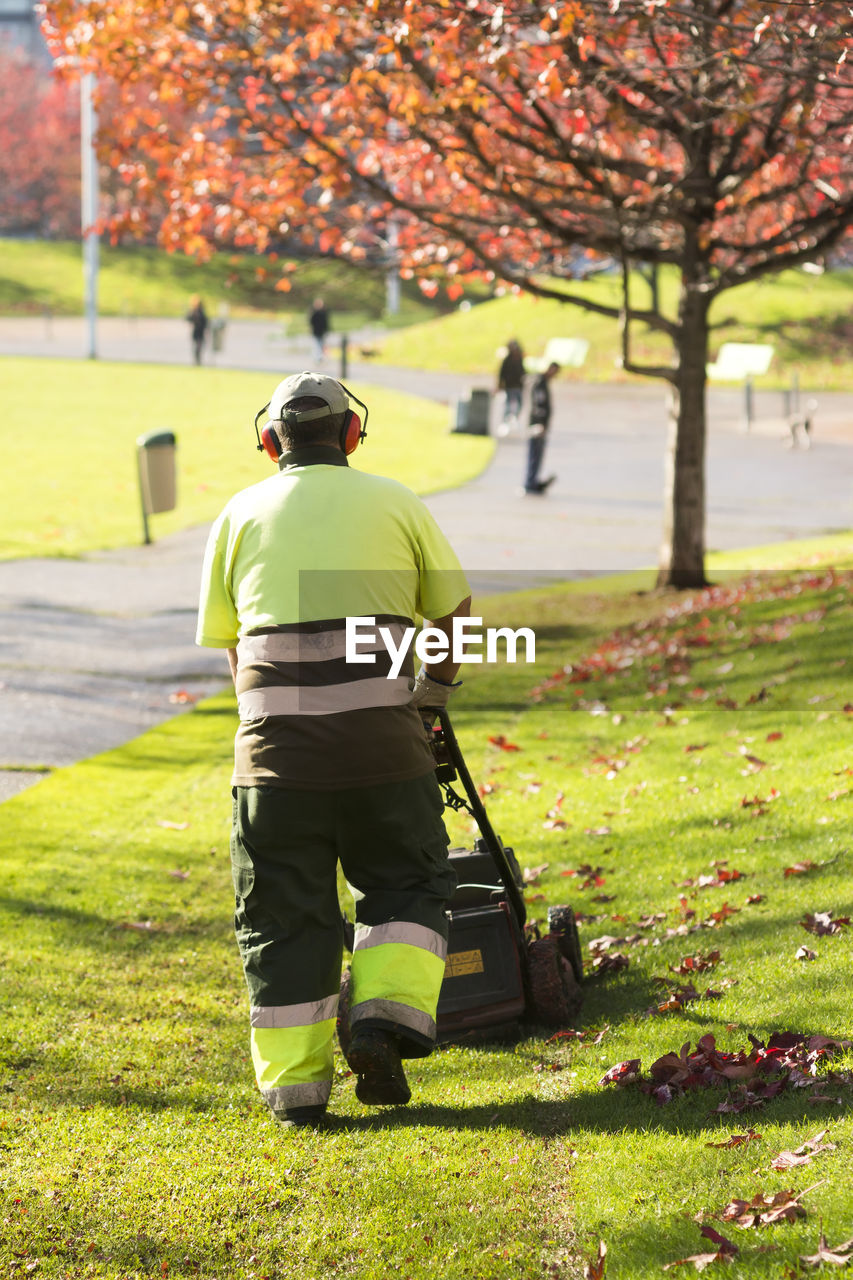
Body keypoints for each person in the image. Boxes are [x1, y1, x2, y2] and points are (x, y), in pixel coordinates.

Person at [196, 371, 470, 1129]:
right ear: (352, 434)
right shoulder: (396, 501)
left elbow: (232, 650)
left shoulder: (239, 514)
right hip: (385, 749)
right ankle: (381, 1022)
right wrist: (431, 695)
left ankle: (297, 1094)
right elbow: (454, 615)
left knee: (282, 918)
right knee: (407, 885)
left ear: (268, 441)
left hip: (275, 765)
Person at [523, 360, 560, 495]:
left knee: (537, 454)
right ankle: (530, 482)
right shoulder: (539, 383)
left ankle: (532, 480)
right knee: (535, 454)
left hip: (539, 424)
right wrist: (539, 424)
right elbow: (538, 404)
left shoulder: (542, 382)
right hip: (537, 425)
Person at [496, 338, 525, 432]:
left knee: (519, 403)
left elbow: (522, 372)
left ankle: (514, 418)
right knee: (508, 404)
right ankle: (505, 421)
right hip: (510, 385)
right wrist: (500, 385)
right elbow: (502, 373)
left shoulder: (519, 359)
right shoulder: (507, 360)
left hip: (518, 386)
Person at [186, 295, 208, 365]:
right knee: (197, 346)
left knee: (199, 346)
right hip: (196, 331)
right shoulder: (193, 311)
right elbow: (188, 318)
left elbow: (205, 321)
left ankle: (198, 360)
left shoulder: (201, 311)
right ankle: (197, 360)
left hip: (200, 331)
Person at [308, 297, 330, 362]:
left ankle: (321, 357)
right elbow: (311, 322)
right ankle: (317, 357)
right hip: (316, 331)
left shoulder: (324, 312)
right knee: (317, 344)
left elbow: (326, 322)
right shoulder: (314, 312)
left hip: (322, 331)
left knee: (322, 344)